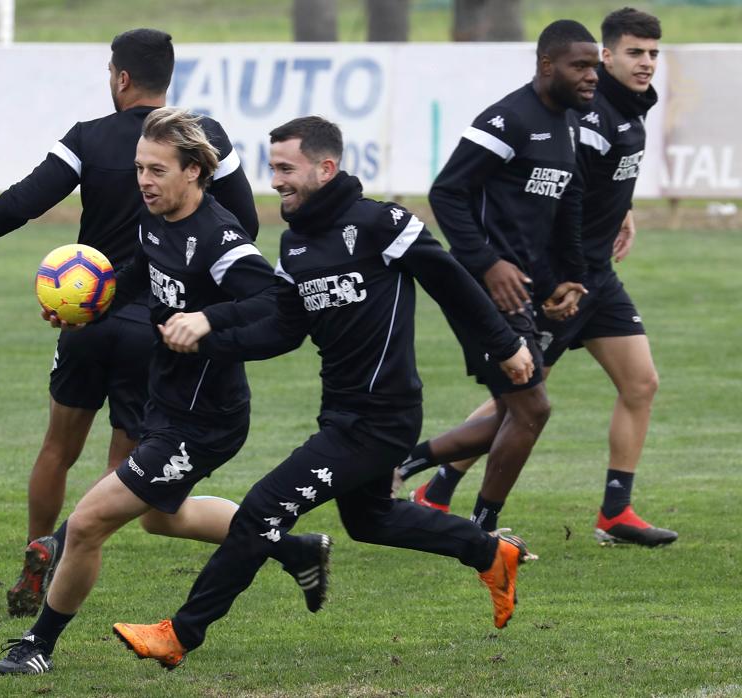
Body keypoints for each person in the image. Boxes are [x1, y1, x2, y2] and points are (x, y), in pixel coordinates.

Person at [111, 116, 536, 669]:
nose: (276, 181)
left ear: (325, 167)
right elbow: (282, 329)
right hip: (340, 413)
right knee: (371, 520)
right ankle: (488, 551)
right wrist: (206, 335)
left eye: (286, 169)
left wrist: (504, 345)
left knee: (262, 510)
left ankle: (180, 635)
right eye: (273, 169)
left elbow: (452, 283)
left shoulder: (384, 224)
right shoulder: (297, 244)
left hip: (382, 417)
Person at [0, 107, 320, 676]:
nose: (144, 180)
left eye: (157, 170)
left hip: (204, 419)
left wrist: (209, 321)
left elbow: (276, 304)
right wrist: (87, 306)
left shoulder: (221, 241)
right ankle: (294, 549)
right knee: (158, 518)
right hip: (166, 401)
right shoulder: (153, 220)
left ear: (193, 171)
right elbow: (139, 275)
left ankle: (37, 645)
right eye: (139, 168)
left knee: (89, 522)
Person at [0, 27, 259, 618]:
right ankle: (65, 546)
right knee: (124, 469)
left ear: (119, 77)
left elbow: (28, 198)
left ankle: (34, 558)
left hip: (87, 315)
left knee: (56, 449)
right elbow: (243, 220)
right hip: (158, 330)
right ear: (168, 77)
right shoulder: (203, 140)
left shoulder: (89, 136)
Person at [398, 9, 675, 547]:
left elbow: (576, 193)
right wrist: (522, 272)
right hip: (542, 281)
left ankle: (615, 510)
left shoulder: (597, 115)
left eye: (654, 54)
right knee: (520, 402)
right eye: (634, 53)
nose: (645, 63)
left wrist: (621, 213)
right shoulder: (557, 118)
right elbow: (462, 194)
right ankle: (435, 481)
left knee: (637, 383)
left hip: (589, 277)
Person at [391, 20, 597, 535]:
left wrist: (566, 278)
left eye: (595, 65)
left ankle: (399, 467)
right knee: (532, 408)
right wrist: (486, 263)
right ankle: (482, 528)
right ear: (547, 66)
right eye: (581, 65)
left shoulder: (568, 122)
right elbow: (447, 193)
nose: (592, 75)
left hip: (524, 287)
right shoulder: (509, 120)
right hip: (483, 288)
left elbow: (564, 202)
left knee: (514, 410)